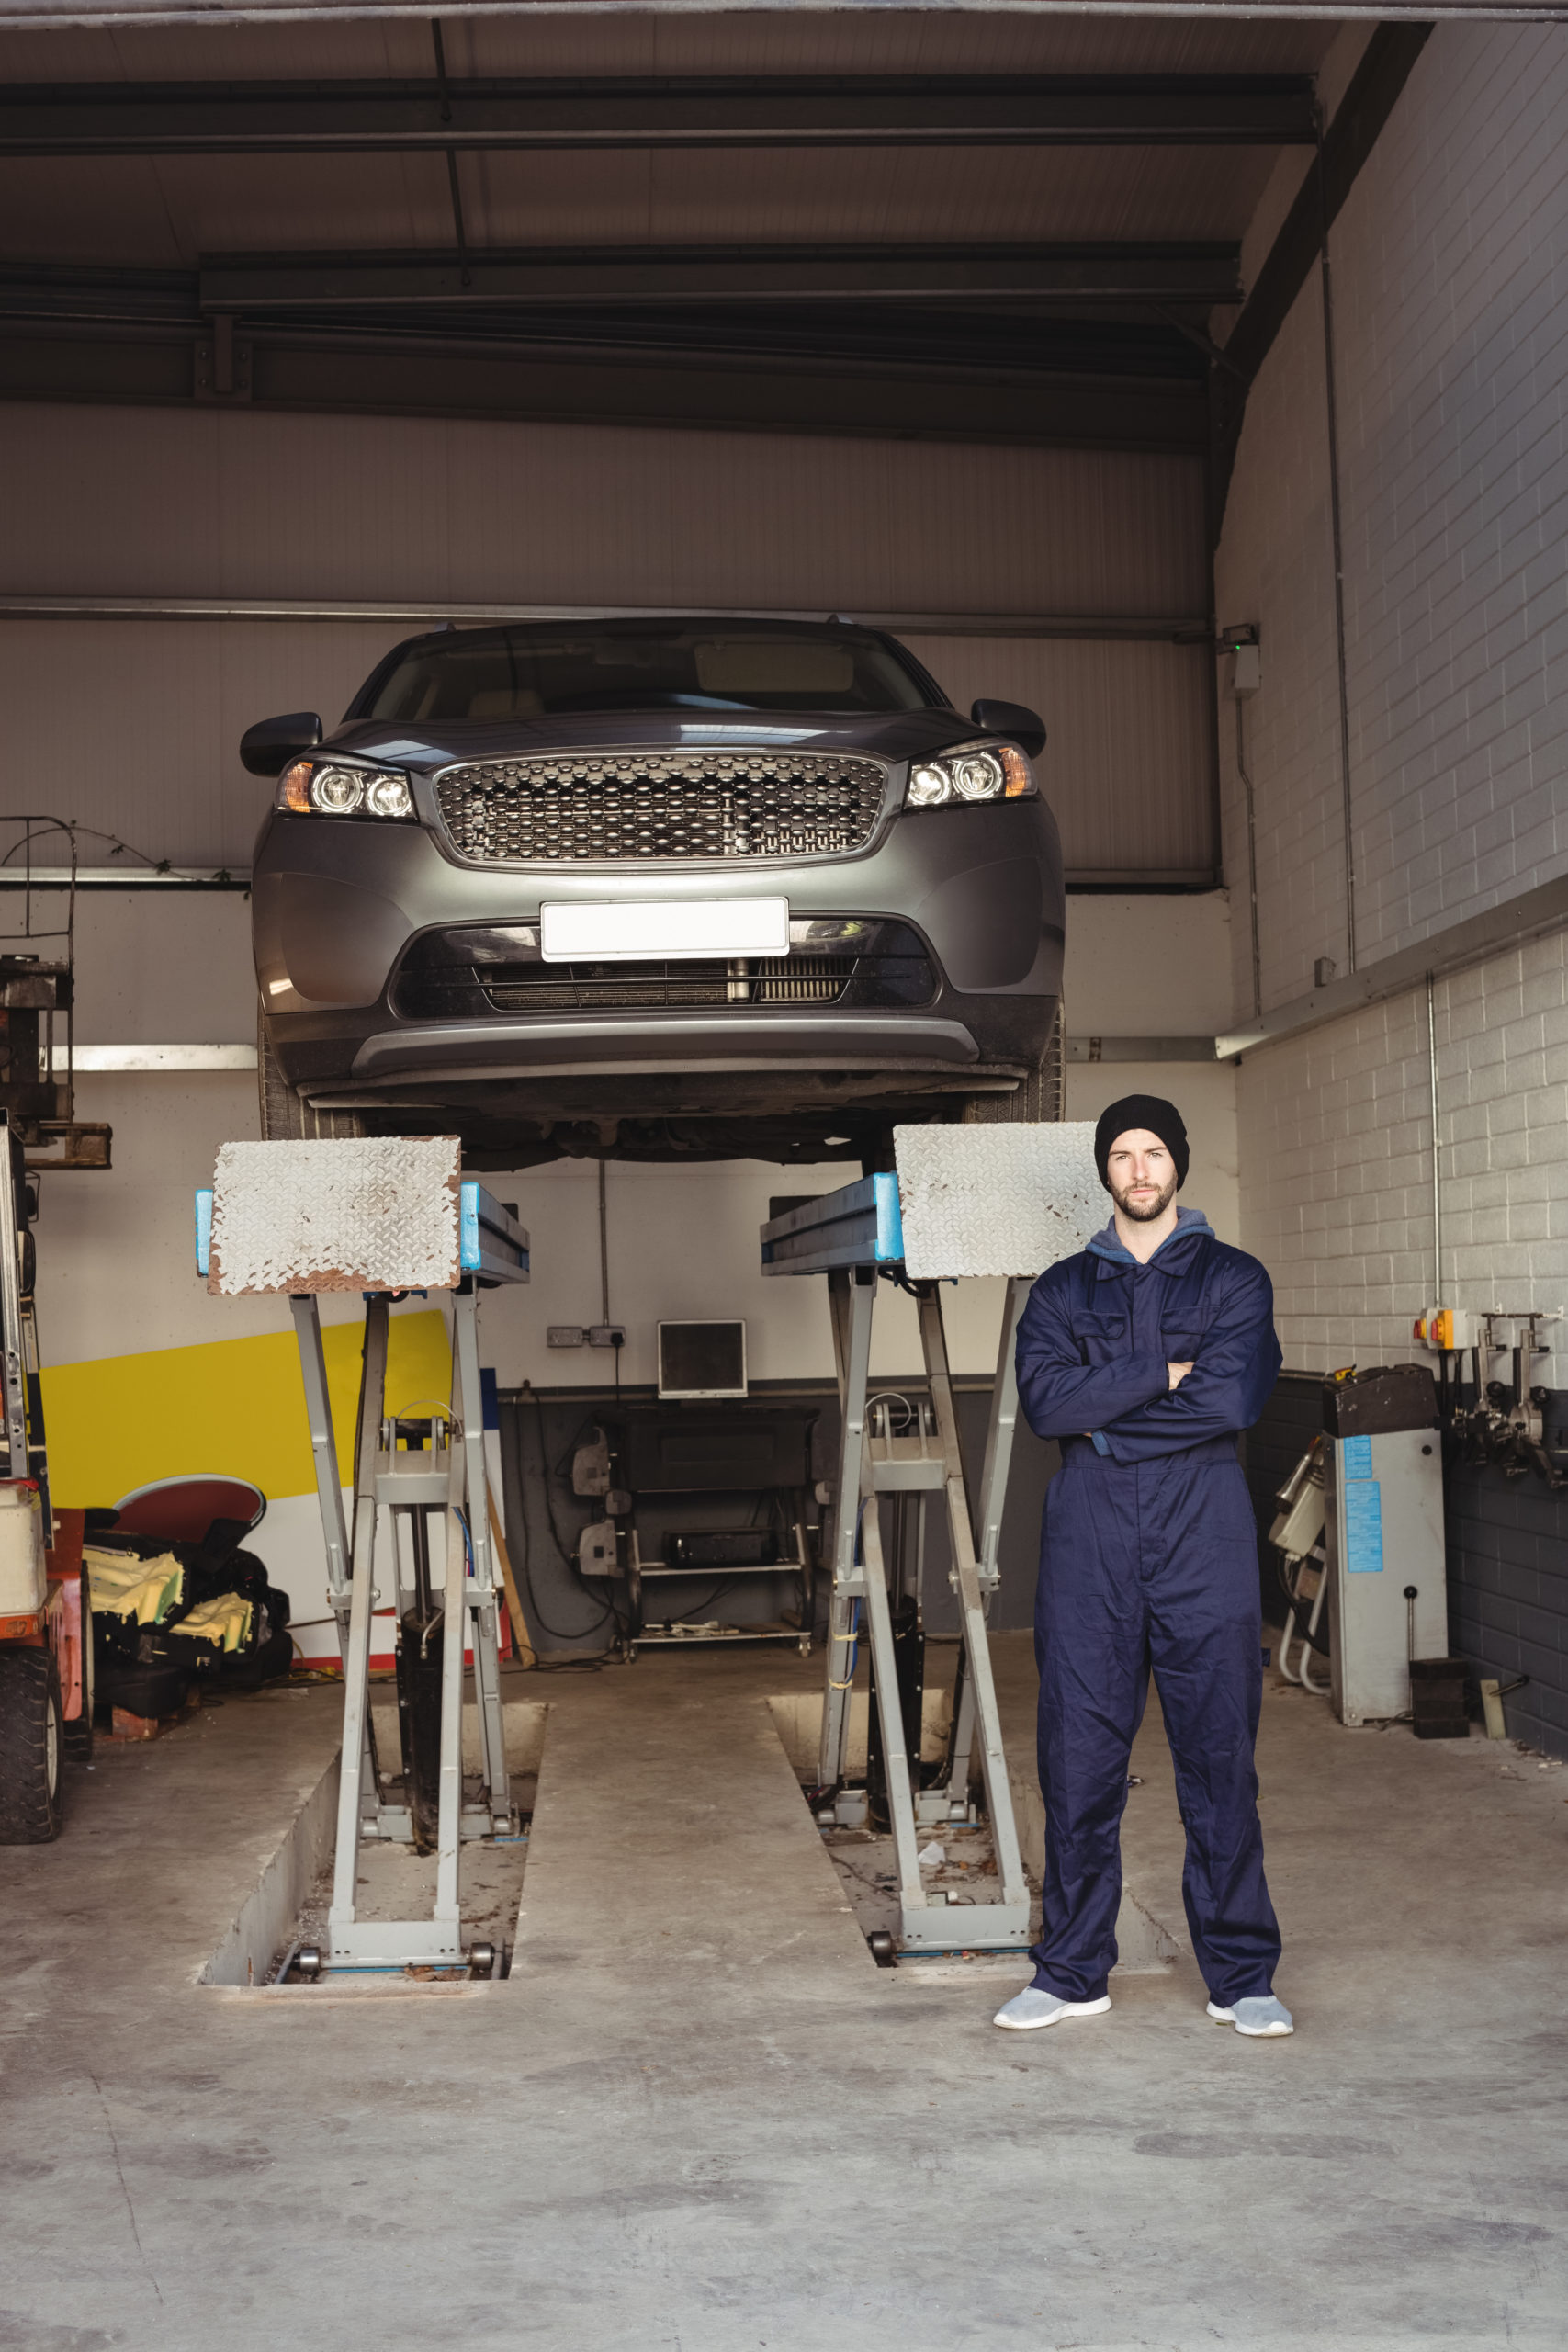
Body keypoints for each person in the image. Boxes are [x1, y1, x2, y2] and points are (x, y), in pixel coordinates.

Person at [993, 1094, 1292, 2040]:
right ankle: (1073, 1969)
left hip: (1203, 1525)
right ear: (1104, 1170)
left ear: (1179, 1162)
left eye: (1152, 1149)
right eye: (1120, 1153)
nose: (1137, 1167)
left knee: (1219, 1756)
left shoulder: (1235, 1278)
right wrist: (1162, 1374)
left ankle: (1241, 1976)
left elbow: (1234, 1397)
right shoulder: (1060, 1288)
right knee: (1078, 1757)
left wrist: (1109, 1425)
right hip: (1091, 1538)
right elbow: (1046, 1403)